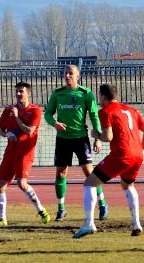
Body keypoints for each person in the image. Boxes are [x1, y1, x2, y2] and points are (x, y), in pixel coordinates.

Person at [73, 84, 144, 238]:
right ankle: (136, 224)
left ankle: (89, 224)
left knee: (90, 183)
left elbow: (108, 137)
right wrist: (140, 149)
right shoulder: (131, 110)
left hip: (122, 154)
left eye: (99, 97)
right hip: (137, 155)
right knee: (127, 184)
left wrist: (96, 134)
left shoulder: (106, 111)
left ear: (103, 96)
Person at [45, 65, 108, 222]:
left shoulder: (86, 94)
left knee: (89, 173)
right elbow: (47, 113)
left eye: (70, 73)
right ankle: (61, 209)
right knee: (60, 173)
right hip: (63, 140)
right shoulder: (57, 94)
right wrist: (54, 123)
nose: (67, 76)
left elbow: (94, 116)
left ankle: (102, 204)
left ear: (78, 77)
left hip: (80, 139)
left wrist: (98, 138)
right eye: (65, 73)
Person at [0, 82, 50, 226]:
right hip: (10, 152)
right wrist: (9, 134)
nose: (18, 94)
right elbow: (1, 131)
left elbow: (30, 131)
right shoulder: (8, 110)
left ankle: (41, 210)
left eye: (21, 91)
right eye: (16, 91)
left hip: (25, 152)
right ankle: (2, 219)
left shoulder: (35, 110)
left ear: (28, 93)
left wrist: (17, 118)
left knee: (22, 184)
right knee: (0, 184)